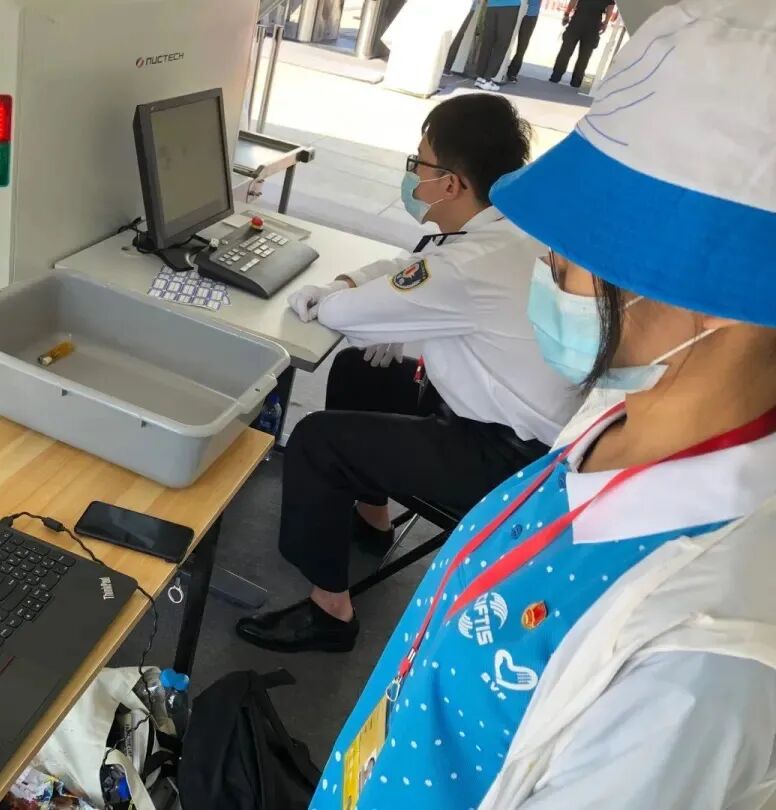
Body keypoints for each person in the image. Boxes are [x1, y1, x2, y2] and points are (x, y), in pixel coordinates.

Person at [309, 2, 776, 808]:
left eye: (587, 240)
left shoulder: (697, 669)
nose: (553, 256)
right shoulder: (620, 424)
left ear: (718, 291)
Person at [235, 94, 580, 654]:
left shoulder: (471, 263)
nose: (412, 175)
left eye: (419, 163)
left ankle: (330, 613)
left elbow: (349, 313)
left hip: (510, 461)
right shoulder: (503, 229)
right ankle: (372, 520)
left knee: (317, 442)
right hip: (512, 424)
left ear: (450, 184)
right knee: (358, 370)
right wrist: (351, 284)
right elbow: (410, 268)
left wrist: (328, 296)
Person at [550, 0, 615, 88]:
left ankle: (556, 76)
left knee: (566, 51)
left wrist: (567, 14)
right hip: (593, 24)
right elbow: (610, 7)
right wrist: (605, 23)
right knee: (585, 55)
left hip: (578, 20)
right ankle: (576, 81)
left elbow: (573, 1)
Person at [475, 0, 523, 91]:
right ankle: (487, 79)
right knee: (502, 44)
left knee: (487, 41)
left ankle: (480, 77)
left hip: (492, 5)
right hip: (510, 5)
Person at [506, 1, 541, 82]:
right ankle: (497, 69)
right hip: (514, 9)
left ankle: (512, 72)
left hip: (530, 15)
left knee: (522, 45)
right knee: (504, 39)